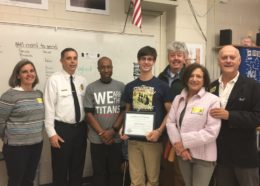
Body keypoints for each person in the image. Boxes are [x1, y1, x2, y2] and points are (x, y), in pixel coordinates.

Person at [209, 45, 260, 186]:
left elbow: (257, 117)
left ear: (239, 61)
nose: (228, 60)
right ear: (218, 61)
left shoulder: (253, 86)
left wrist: (229, 115)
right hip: (221, 157)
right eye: (224, 57)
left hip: (245, 157)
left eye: (232, 57)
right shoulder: (211, 87)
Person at [122, 46, 172, 186]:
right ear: (138, 61)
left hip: (153, 140)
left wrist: (159, 131)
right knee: (136, 181)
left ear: (154, 61)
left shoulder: (162, 86)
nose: (146, 62)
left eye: (149, 59)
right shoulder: (130, 86)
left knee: (152, 180)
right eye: (143, 59)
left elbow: (171, 112)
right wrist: (124, 129)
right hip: (133, 141)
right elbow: (127, 110)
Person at [166, 63, 221, 186]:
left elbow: (211, 132)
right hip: (183, 154)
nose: (194, 79)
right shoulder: (178, 98)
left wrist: (183, 143)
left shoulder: (212, 100)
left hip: (204, 156)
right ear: (186, 78)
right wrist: (179, 146)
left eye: (199, 76)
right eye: (191, 75)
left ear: (204, 80)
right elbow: (170, 123)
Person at [44, 48, 87, 186]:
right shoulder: (54, 80)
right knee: (60, 169)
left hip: (80, 129)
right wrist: (51, 134)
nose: (72, 61)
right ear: (61, 61)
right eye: (68, 58)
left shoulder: (82, 80)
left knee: (77, 168)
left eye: (75, 58)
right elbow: (49, 108)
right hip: (62, 130)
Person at [0, 59, 44, 186]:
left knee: (29, 180)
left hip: (36, 144)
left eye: (32, 70)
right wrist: (8, 137)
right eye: (25, 72)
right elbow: (0, 122)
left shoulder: (38, 93)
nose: (29, 74)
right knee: (16, 181)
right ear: (18, 75)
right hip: (16, 148)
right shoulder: (10, 96)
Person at [84, 56, 125, 186]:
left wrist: (112, 131)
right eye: (103, 67)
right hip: (97, 139)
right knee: (99, 172)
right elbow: (88, 114)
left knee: (115, 172)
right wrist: (102, 133)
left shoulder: (121, 86)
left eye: (109, 67)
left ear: (112, 68)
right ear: (98, 69)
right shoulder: (91, 88)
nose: (106, 70)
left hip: (116, 138)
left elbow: (123, 111)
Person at [158, 41, 188, 186]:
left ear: (185, 58)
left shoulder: (191, 77)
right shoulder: (160, 77)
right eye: (172, 55)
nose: (175, 58)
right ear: (168, 58)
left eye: (179, 55)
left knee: (181, 170)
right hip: (163, 130)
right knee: (165, 167)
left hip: (184, 131)